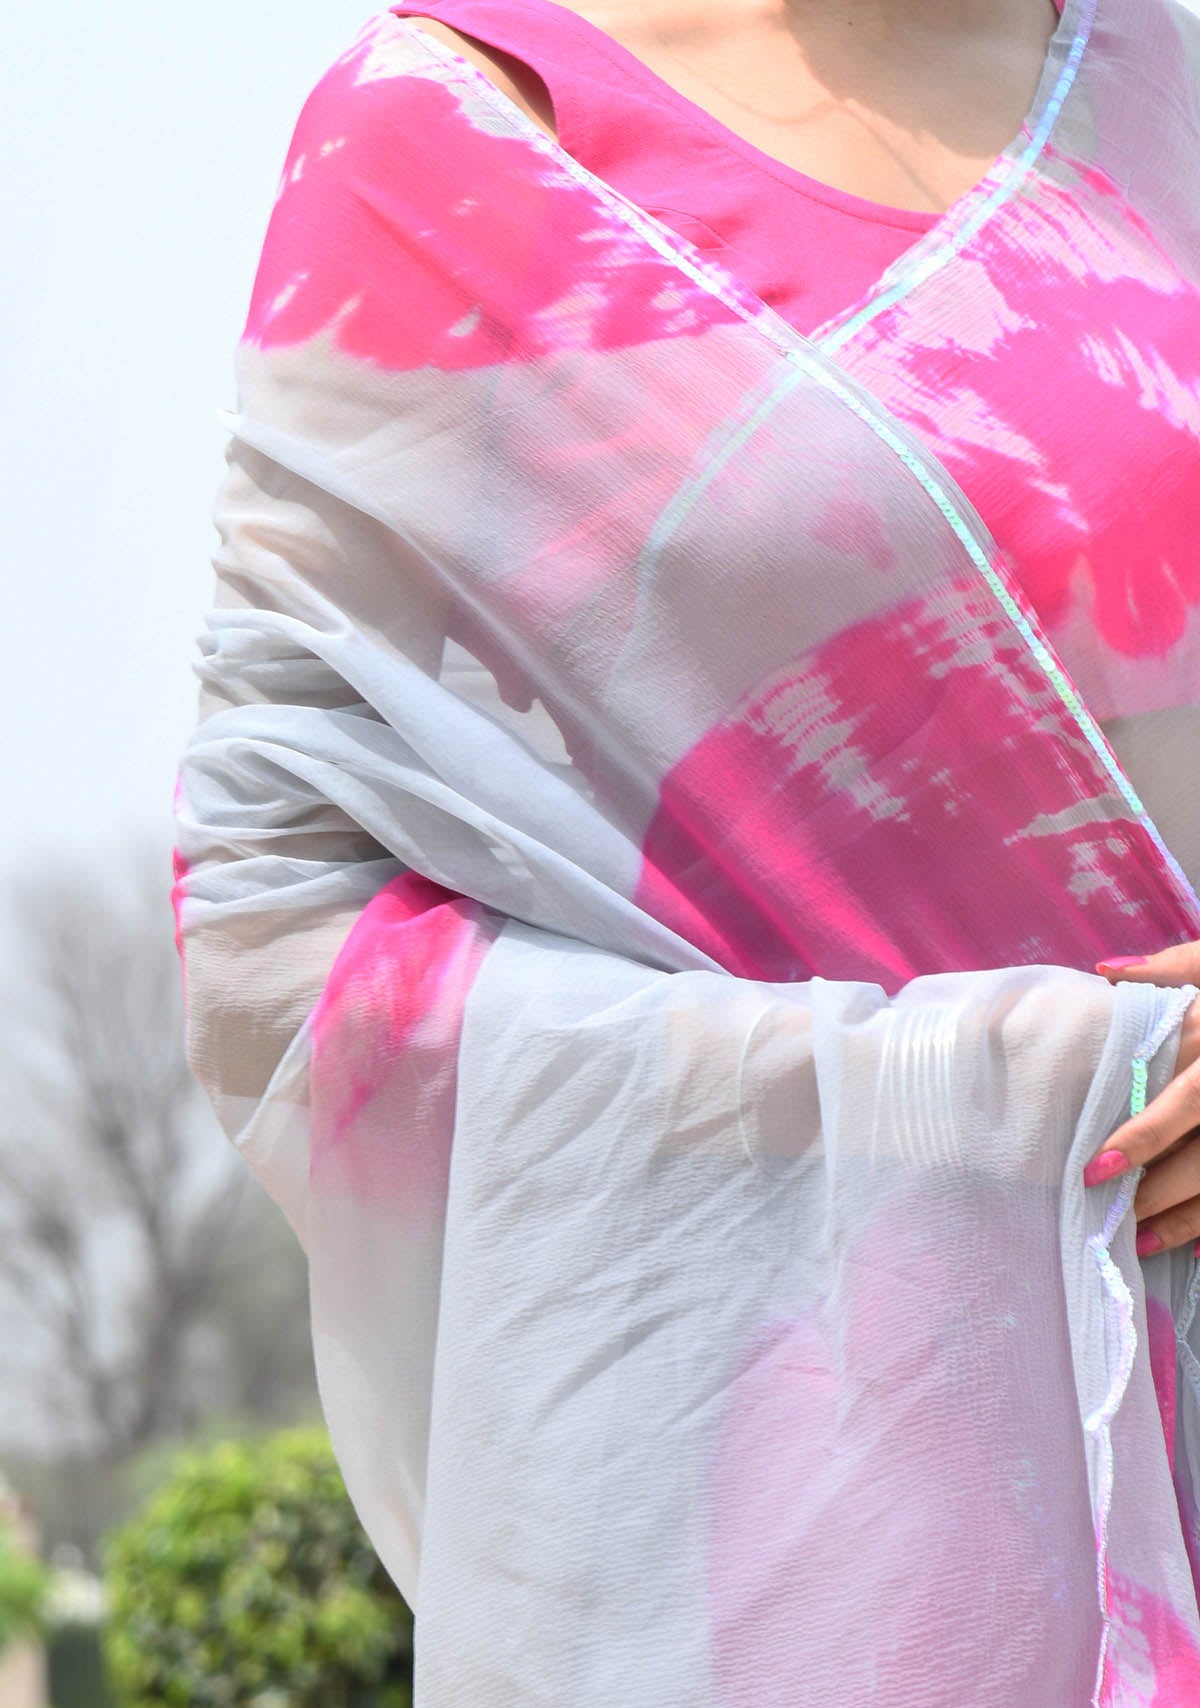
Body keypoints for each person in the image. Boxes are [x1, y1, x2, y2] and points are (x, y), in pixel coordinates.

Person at [170, 0, 1200, 1700]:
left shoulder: (1171, 95)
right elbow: (276, 942)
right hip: (808, 1503)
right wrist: (1007, 1093)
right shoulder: (463, 135)